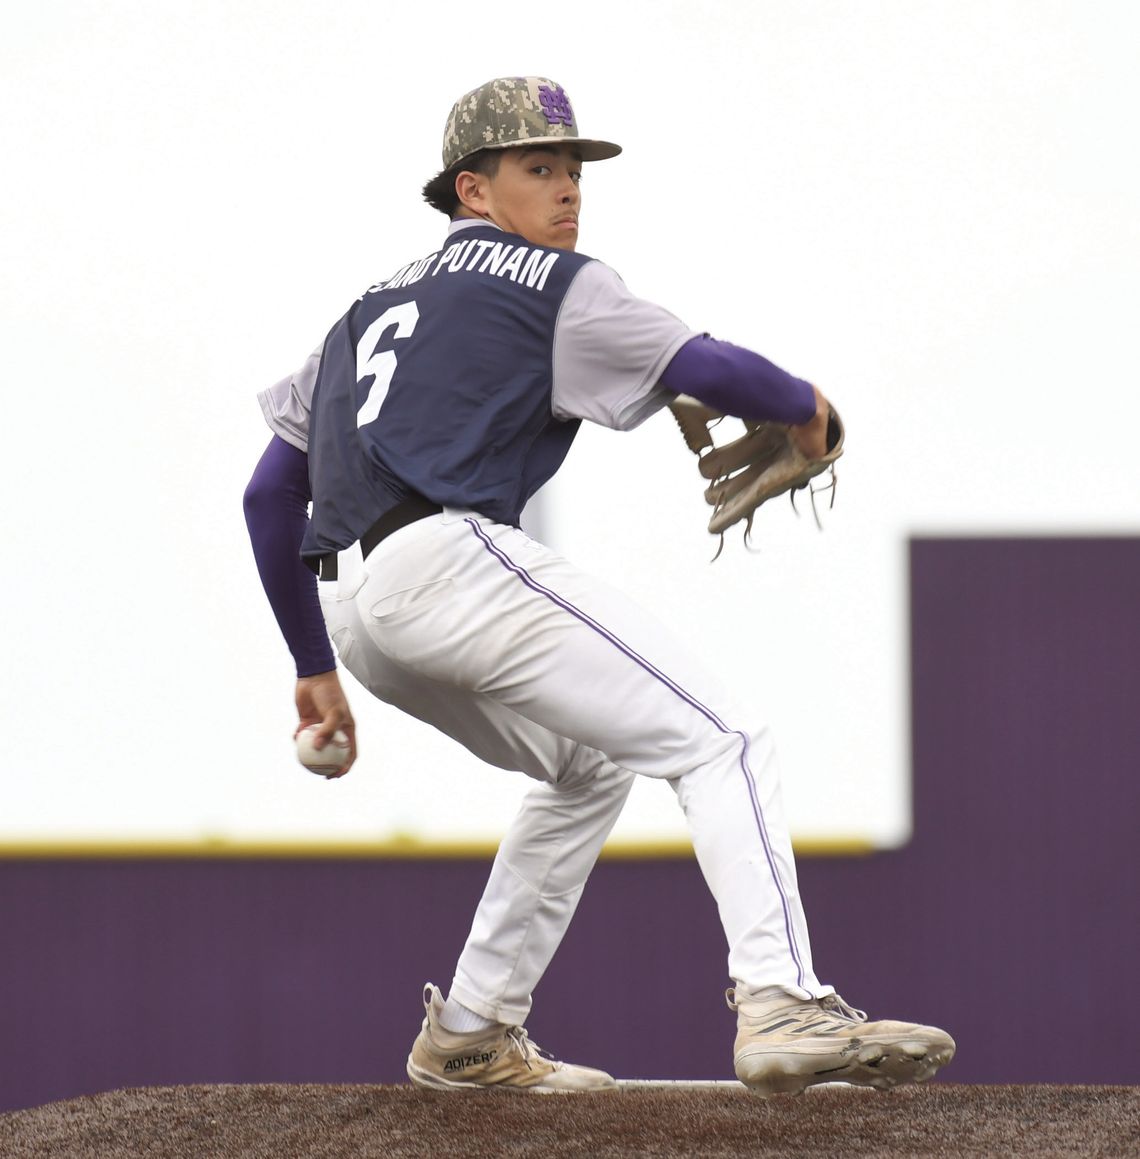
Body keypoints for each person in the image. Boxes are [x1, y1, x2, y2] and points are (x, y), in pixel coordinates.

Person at [243, 76, 955, 1095]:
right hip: (448, 565)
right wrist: (807, 406)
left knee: (586, 766)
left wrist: (314, 665)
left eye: (575, 171)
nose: (569, 191)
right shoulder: (548, 284)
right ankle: (781, 997)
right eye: (539, 167)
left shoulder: (358, 319)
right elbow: (707, 362)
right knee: (723, 736)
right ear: (471, 189)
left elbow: (272, 496)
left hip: (360, 608)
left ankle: (473, 1031)